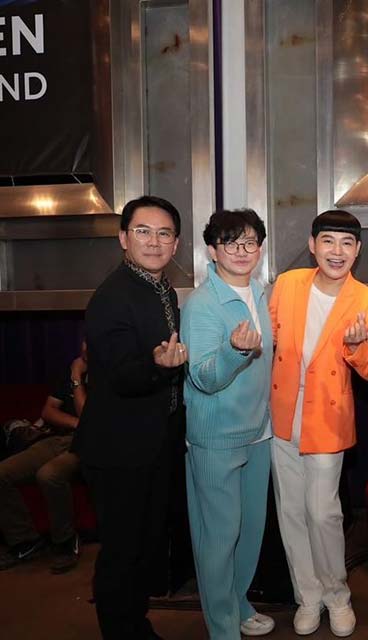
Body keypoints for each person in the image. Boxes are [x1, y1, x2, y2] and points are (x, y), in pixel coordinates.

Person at [74, 195, 188, 640]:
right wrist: (159, 367)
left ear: (175, 244)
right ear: (124, 238)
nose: (154, 242)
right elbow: (120, 376)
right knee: (122, 552)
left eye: (164, 233)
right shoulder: (112, 297)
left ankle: (135, 625)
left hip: (153, 444)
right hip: (118, 448)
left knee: (144, 547)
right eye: (143, 231)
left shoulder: (163, 290)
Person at [268, 209, 368, 637]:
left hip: (327, 417)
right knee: (291, 511)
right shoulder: (288, 284)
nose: (337, 251)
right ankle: (308, 596)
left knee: (322, 513)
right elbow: (270, 339)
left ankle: (337, 596)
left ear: (358, 250)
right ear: (312, 245)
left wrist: (355, 348)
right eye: (328, 241)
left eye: (346, 243)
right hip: (282, 413)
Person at [181, 209, 275, 639]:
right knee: (219, 537)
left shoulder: (258, 291)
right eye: (230, 242)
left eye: (250, 242)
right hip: (216, 436)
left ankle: (238, 604)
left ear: (260, 248)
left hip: (259, 432)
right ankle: (222, 627)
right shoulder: (202, 304)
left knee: (250, 530)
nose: (241, 250)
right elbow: (203, 377)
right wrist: (234, 351)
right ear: (212, 250)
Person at [0, 343, 87, 574]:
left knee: (49, 474)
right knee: (2, 473)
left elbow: (87, 414)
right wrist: (78, 424)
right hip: (55, 438)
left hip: (85, 445)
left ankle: (65, 541)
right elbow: (48, 411)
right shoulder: (68, 371)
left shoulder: (107, 373)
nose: (86, 347)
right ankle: (26, 542)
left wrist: (77, 377)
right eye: (84, 341)